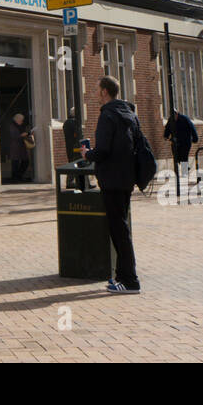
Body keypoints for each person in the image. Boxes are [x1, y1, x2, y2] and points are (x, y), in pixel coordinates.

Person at [79, 76, 140, 293]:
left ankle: (130, 280)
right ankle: (122, 276)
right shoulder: (129, 113)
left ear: (105, 92)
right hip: (126, 178)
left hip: (112, 179)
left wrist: (88, 153)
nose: (96, 94)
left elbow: (103, 150)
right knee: (122, 227)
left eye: (97, 89)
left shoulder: (107, 115)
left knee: (119, 229)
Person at [8, 112, 33, 182]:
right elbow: (14, 136)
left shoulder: (17, 126)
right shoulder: (12, 126)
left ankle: (18, 176)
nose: (22, 122)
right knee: (16, 162)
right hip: (15, 147)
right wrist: (24, 134)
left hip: (20, 147)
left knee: (24, 161)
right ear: (17, 120)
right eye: (21, 120)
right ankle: (16, 178)